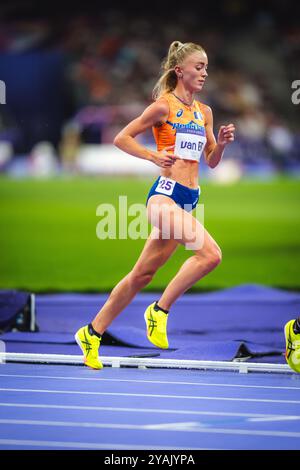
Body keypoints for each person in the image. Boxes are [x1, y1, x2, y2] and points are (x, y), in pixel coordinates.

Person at [75, 41, 235, 369]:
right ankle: (158, 311)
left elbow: (211, 160)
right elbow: (122, 137)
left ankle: (92, 332)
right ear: (180, 71)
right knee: (210, 255)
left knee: (142, 274)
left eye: (206, 66)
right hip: (164, 196)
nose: (204, 73)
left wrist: (222, 145)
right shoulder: (164, 106)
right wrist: (152, 155)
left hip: (189, 200)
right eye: (198, 67)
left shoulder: (204, 112)